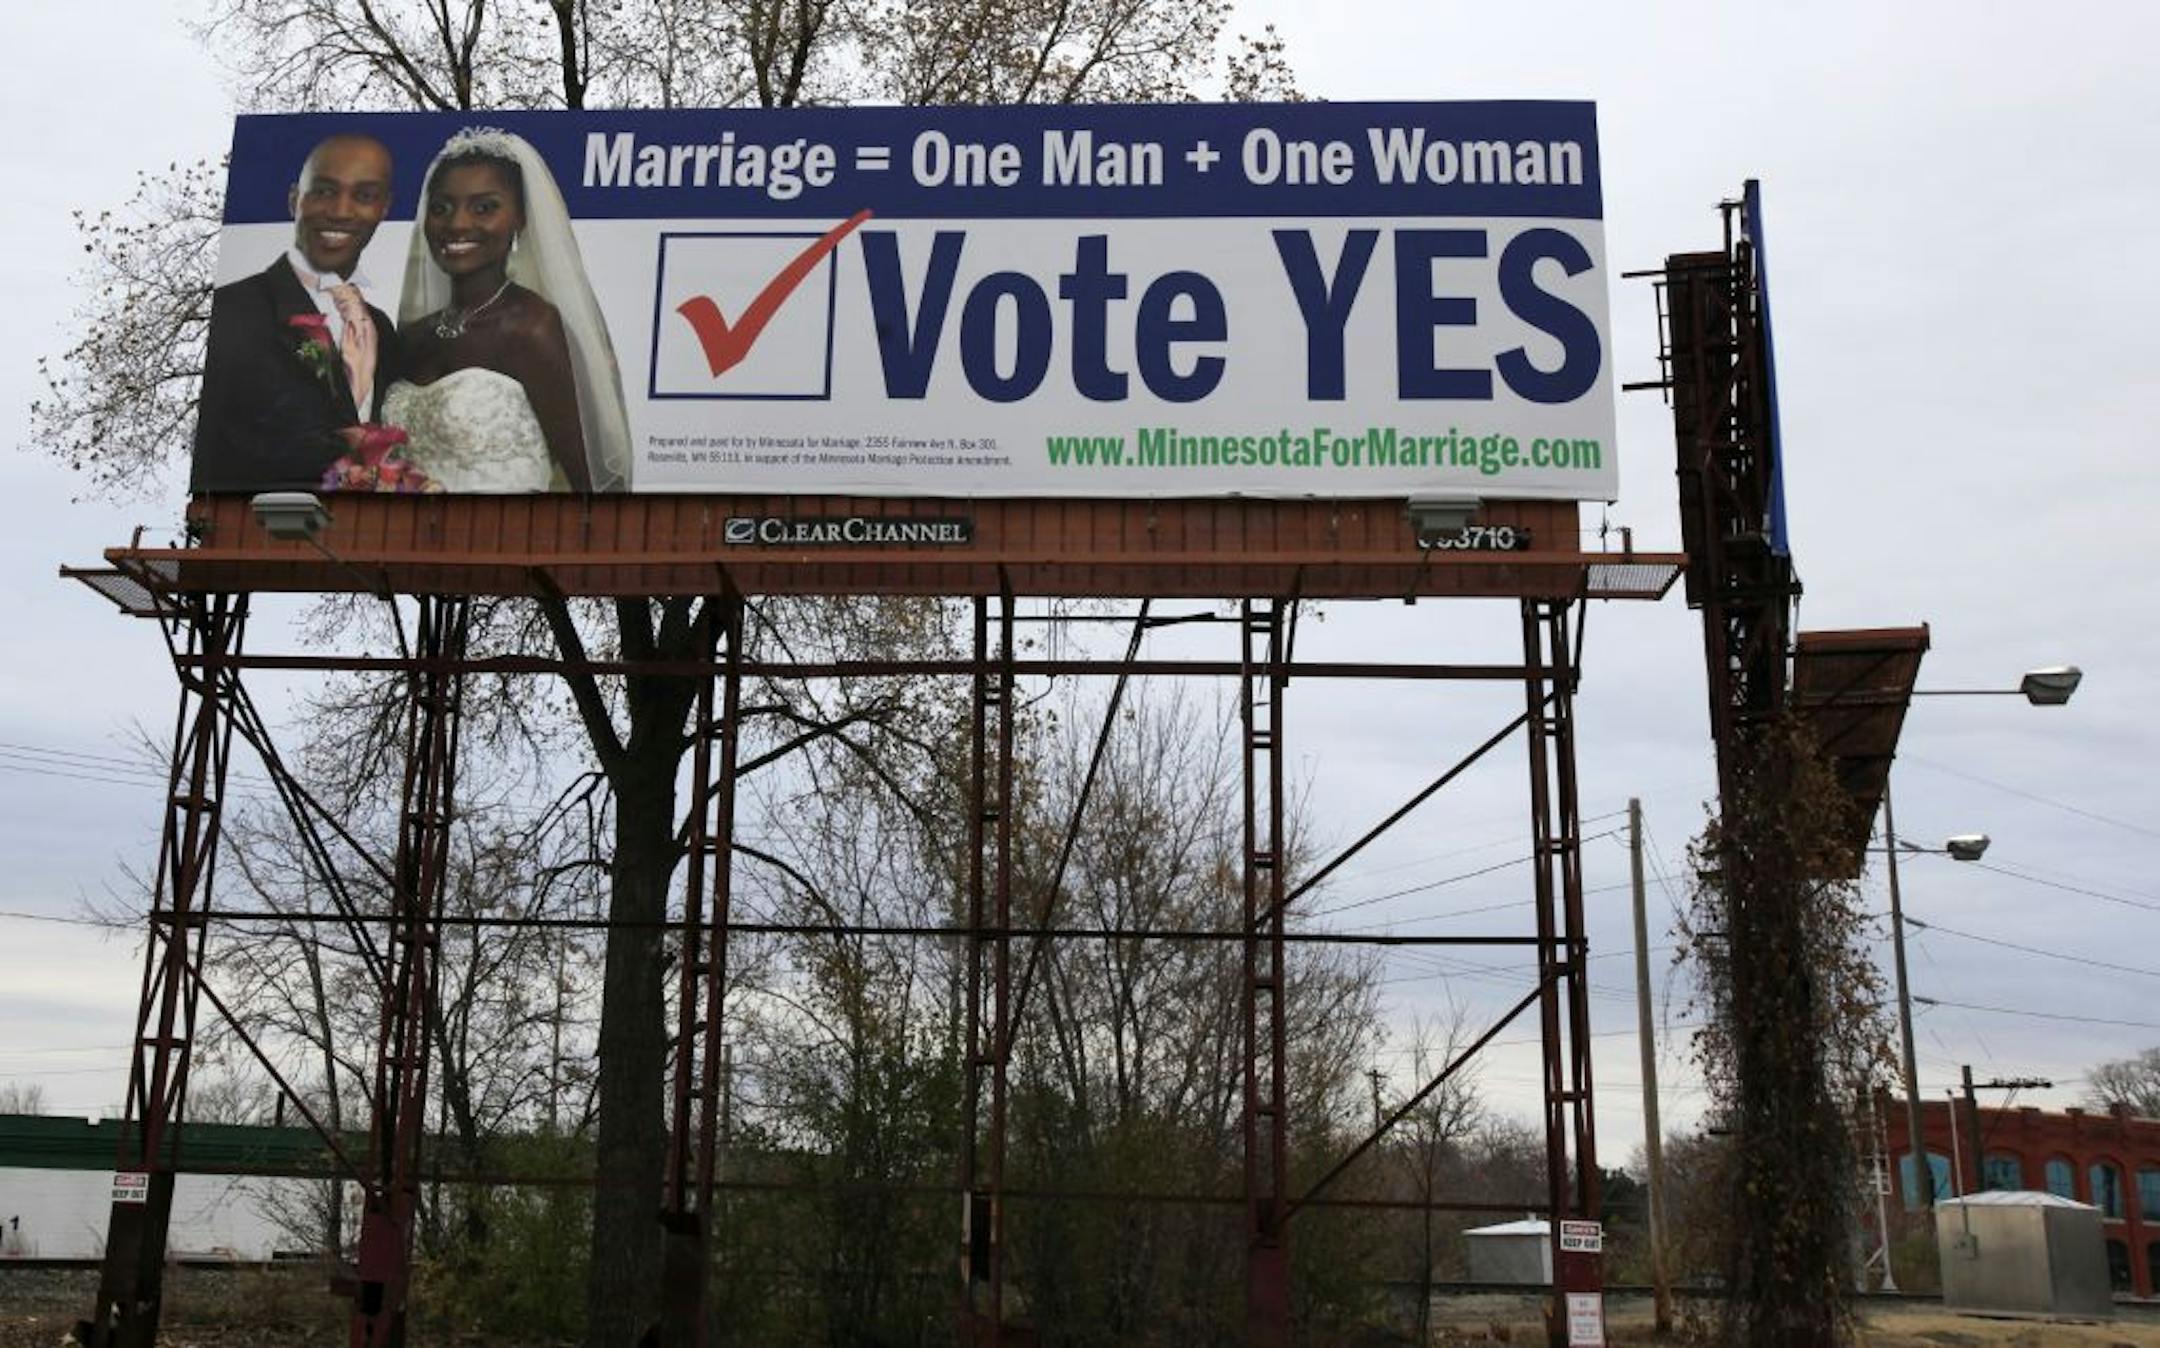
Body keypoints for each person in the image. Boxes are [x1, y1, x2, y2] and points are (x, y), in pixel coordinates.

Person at [383, 128, 631, 493]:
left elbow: (595, 485)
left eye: (484, 207)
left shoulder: (532, 329)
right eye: (441, 208)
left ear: (520, 219)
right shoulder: (412, 337)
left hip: (506, 543)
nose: (457, 223)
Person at [192, 133, 403, 492]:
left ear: (384, 207)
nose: (340, 211)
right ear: (294, 200)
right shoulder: (235, 309)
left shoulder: (381, 326)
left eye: (364, 196)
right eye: (323, 191)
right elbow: (224, 443)